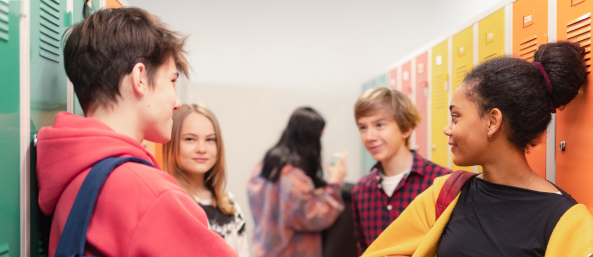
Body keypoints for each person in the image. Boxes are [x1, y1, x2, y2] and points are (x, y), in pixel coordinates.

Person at [35, 8, 237, 256]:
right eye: (172, 81)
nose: (177, 103)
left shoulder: (73, 176)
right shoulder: (148, 193)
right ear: (140, 78)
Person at [361, 41, 593, 257]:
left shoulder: (568, 221)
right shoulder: (445, 193)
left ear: (492, 122)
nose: (447, 129)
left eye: (455, 117)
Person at [351, 88, 452, 254]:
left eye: (379, 125)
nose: (369, 136)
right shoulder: (360, 190)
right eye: (363, 127)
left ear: (405, 129)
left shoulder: (442, 183)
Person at [247, 107, 348, 257]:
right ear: (309, 140)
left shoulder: (264, 166)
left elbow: (284, 206)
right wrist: (334, 182)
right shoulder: (295, 179)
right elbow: (317, 217)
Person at [162, 104, 249, 256]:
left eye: (210, 140)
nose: (201, 148)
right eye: (190, 139)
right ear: (172, 144)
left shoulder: (230, 204)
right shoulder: (168, 202)